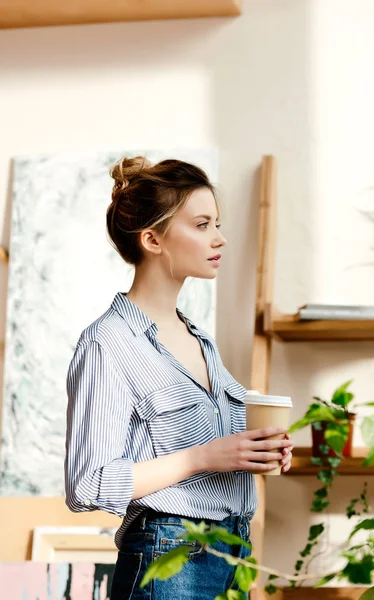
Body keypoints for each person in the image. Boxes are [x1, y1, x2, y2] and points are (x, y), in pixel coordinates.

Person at [64, 156, 294, 599]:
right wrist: (202, 457)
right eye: (202, 224)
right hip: (169, 556)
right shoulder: (106, 343)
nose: (220, 238)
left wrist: (262, 450)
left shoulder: (199, 340)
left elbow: (228, 447)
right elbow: (87, 483)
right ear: (152, 239)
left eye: (217, 224)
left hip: (230, 553)